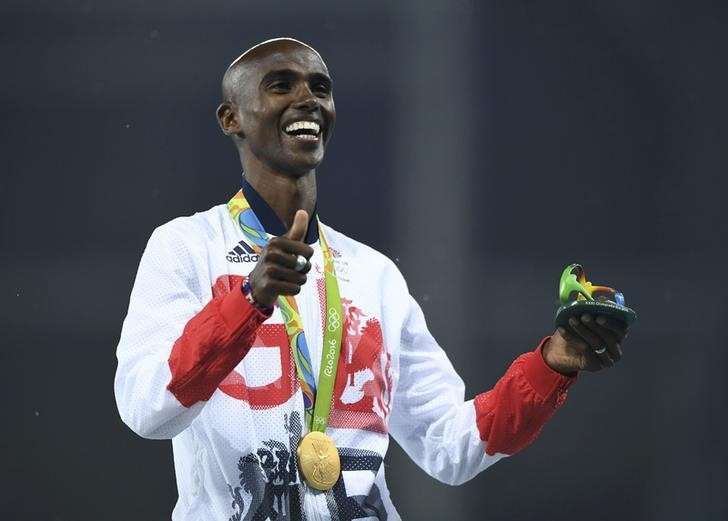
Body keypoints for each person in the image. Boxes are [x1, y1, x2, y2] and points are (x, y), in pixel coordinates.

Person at [114, 37, 630, 521]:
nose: (307, 99)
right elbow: (148, 409)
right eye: (281, 85)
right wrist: (248, 302)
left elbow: (452, 447)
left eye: (320, 88)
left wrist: (552, 365)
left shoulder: (372, 275)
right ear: (232, 118)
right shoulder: (185, 246)